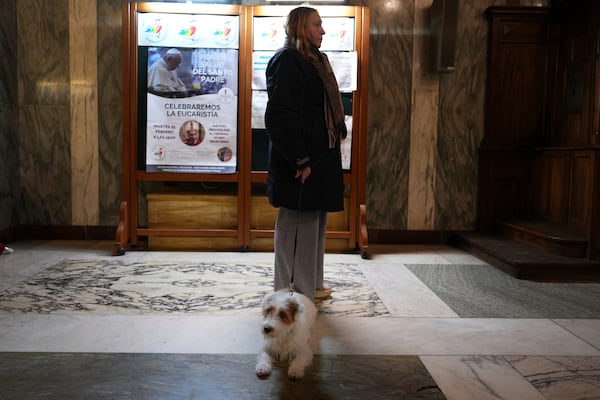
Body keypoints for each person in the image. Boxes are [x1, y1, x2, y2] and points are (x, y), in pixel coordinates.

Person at [264, 7, 347, 300]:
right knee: (295, 224)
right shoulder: (288, 60)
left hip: (319, 155)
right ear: (300, 27)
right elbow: (281, 116)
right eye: (317, 24)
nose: (322, 31)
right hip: (301, 158)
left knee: (314, 222)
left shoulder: (314, 60)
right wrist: (298, 158)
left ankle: (310, 283)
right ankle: (290, 290)